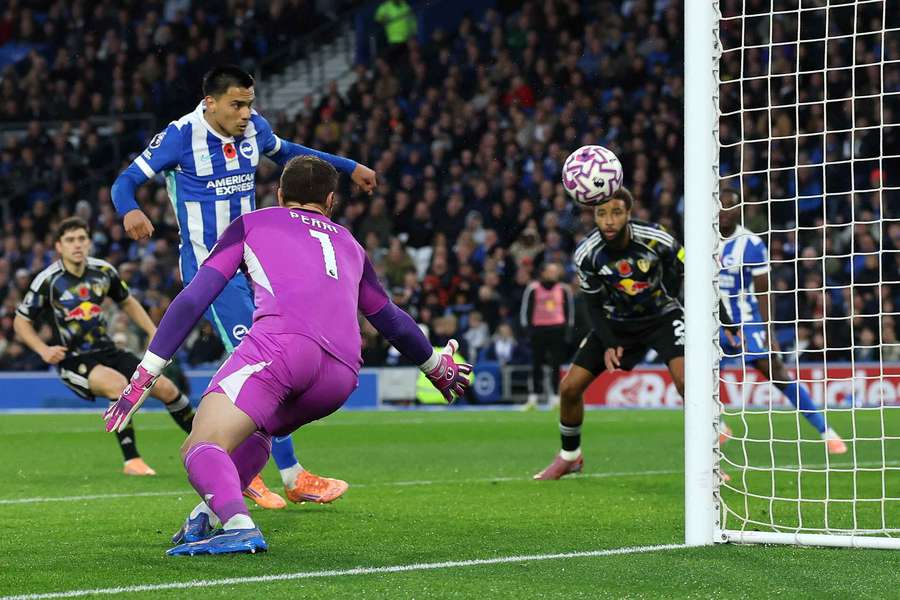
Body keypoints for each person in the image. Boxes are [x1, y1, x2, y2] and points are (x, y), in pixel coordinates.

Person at [104, 156, 472, 555]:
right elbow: (391, 319)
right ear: (331, 201)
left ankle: (239, 525)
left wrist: (148, 370)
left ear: (280, 195)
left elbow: (196, 295)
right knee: (257, 431)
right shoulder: (351, 244)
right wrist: (436, 366)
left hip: (282, 348)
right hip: (340, 375)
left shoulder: (255, 222)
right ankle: (207, 515)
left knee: (201, 444)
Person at [110, 65, 377, 508]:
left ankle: (259, 465)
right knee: (265, 364)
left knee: (271, 365)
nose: (246, 113)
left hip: (257, 263)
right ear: (209, 102)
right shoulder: (180, 136)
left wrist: (348, 167)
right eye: (237, 104)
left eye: (250, 103)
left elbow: (289, 151)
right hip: (212, 269)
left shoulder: (255, 130)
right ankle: (279, 473)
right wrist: (129, 210)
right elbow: (126, 180)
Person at [13, 217, 195, 476]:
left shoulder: (103, 271)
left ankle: (209, 443)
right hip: (73, 358)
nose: (77, 245)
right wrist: (43, 350)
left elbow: (128, 302)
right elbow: (21, 322)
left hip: (107, 350)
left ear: (89, 242)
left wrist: (154, 332)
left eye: (81, 239)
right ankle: (132, 461)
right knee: (117, 385)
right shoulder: (48, 280)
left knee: (166, 387)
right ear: (59, 246)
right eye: (70, 240)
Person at [534, 187, 687, 480]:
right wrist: (609, 341)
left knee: (686, 382)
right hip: (616, 322)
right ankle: (570, 456)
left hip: (663, 317)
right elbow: (591, 303)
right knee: (569, 388)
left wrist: (722, 318)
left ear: (629, 214)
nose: (609, 221)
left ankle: (708, 460)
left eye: (616, 212)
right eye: (601, 213)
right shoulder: (587, 253)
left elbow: (689, 270)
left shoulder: (657, 238)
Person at [718, 188, 846, 453]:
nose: (724, 211)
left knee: (775, 371)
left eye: (730, 205)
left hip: (746, 320)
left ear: (739, 209)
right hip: (713, 321)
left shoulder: (750, 244)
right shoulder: (702, 238)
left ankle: (825, 430)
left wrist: (769, 331)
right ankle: (717, 426)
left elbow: (764, 290)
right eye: (719, 205)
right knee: (696, 373)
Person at [520, 262, 573, 408]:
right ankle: (533, 398)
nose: (553, 274)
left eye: (555, 271)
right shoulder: (533, 288)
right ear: (543, 272)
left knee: (556, 365)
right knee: (536, 364)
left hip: (557, 330)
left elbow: (569, 312)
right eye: (550, 271)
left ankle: (555, 398)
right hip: (539, 330)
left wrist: (567, 331)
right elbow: (526, 310)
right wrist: (527, 331)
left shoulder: (564, 289)